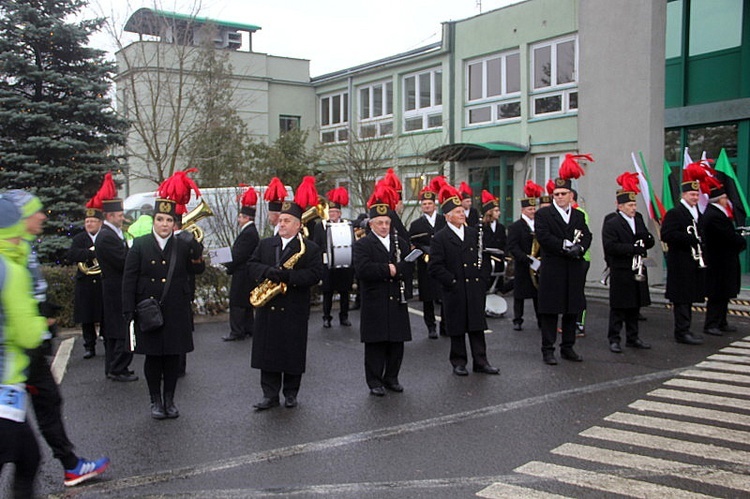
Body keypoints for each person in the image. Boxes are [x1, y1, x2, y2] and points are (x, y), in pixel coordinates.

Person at [5, 189, 110, 487]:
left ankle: (70, 463)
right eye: (37, 212)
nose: (42, 216)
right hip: (18, 349)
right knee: (22, 439)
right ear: (22, 217)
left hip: (27, 346)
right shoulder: (10, 248)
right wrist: (36, 320)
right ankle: (70, 464)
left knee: (44, 408)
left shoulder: (23, 245)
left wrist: (43, 312)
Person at [122, 173, 205, 419]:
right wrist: (128, 310)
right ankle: (155, 400)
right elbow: (129, 278)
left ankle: (169, 400)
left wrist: (196, 248)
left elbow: (197, 270)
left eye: (169, 220)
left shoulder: (182, 244)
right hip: (148, 309)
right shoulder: (140, 244)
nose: (164, 224)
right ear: (153, 221)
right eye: (160, 219)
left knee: (171, 358)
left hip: (175, 309)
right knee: (153, 358)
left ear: (174, 223)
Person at [247, 176, 325, 410]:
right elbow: (251, 265)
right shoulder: (265, 244)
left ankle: (291, 393)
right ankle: (269, 395)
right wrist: (267, 272)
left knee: (292, 352)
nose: (281, 224)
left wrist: (288, 278)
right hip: (268, 309)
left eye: (287, 221)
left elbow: (315, 275)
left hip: (293, 307)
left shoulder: (309, 248)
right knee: (268, 352)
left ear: (298, 225)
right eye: (280, 220)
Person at [0, 196, 47, 498]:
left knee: (28, 458)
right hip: (6, 388)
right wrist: (43, 323)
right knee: (28, 461)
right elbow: (28, 335)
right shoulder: (11, 270)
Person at [429, 183, 499, 376]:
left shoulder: (473, 233)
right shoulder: (440, 238)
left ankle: (481, 361)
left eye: (462, 211)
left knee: (477, 326)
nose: (462, 214)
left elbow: (484, 257)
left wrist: (483, 279)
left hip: (475, 287)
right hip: (455, 289)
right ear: (448, 216)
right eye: (457, 211)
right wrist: (451, 282)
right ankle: (458, 362)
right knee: (457, 327)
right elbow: (435, 266)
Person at [354, 183, 414, 395]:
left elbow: (408, 265)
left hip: (396, 299)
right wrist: (387, 269)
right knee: (376, 343)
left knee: (396, 342)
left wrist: (398, 269)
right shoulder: (363, 244)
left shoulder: (400, 242)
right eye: (379, 223)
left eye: (387, 222)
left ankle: (392, 377)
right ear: (371, 224)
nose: (383, 226)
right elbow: (362, 269)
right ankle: (375, 381)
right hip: (375, 299)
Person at [534, 157, 593, 365]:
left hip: (574, 267)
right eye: (556, 194)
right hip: (554, 268)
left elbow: (587, 235)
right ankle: (548, 349)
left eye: (563, 194)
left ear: (571, 195)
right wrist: (566, 246)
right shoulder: (544, 214)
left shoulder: (577, 215)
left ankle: (568, 347)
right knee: (550, 311)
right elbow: (544, 237)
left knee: (571, 309)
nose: (559, 197)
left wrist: (581, 248)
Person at [601, 172, 655, 353]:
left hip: (638, 267)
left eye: (634, 204)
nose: (633, 208)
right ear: (621, 206)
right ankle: (614, 339)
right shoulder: (612, 223)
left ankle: (633, 337)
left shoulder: (638, 220)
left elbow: (648, 240)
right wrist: (632, 248)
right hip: (621, 269)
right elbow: (610, 246)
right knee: (619, 307)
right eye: (630, 205)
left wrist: (646, 239)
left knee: (635, 305)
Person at [94, 173, 138, 381]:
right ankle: (117, 367)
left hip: (113, 288)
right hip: (115, 289)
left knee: (115, 330)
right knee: (119, 330)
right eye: (120, 214)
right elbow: (123, 261)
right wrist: (133, 251)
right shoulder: (106, 237)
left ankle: (114, 366)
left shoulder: (111, 234)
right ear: (110, 216)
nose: (123, 217)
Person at [660, 163, 708, 345]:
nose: (695, 197)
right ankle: (681, 332)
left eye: (697, 194)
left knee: (689, 298)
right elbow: (667, 235)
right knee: (681, 299)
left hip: (693, 263)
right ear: (683, 195)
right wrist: (689, 238)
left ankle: (686, 328)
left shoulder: (697, 213)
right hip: (680, 263)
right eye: (691, 194)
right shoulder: (675, 213)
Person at [701, 182, 746, 336]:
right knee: (717, 294)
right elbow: (727, 237)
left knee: (724, 293)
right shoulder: (714, 216)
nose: (727, 200)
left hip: (724, 261)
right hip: (718, 262)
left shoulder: (717, 214)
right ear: (720, 199)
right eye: (725, 197)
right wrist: (740, 241)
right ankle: (712, 323)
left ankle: (721, 321)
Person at [65, 197, 104, 359]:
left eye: (93, 221)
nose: (89, 224)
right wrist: (91, 253)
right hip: (85, 282)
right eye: (87, 221)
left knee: (105, 314)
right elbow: (72, 254)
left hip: (102, 282)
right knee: (87, 317)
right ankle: (89, 346)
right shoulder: (79, 238)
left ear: (100, 223)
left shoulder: (106, 236)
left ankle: (107, 342)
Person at [408, 182, 446, 339]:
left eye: (430, 203)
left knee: (444, 296)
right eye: (424, 204)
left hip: (442, 263)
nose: (427, 206)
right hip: (425, 265)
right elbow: (414, 243)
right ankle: (431, 326)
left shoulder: (443, 220)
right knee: (428, 297)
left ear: (435, 205)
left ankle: (445, 325)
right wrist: (424, 253)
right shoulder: (416, 224)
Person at [223, 185, 260, 341]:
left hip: (242, 272)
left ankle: (237, 331)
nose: (238, 219)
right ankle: (248, 328)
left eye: (240, 217)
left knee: (237, 303)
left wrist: (226, 263)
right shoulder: (250, 232)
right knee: (245, 302)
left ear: (246, 218)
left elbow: (238, 255)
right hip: (246, 272)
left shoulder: (248, 233)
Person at [314, 186, 354, 328]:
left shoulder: (347, 224)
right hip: (327, 263)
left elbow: (351, 242)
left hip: (344, 263)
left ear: (340, 213)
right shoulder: (321, 226)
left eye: (335, 212)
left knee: (344, 292)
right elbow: (316, 245)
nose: (332, 214)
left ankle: (344, 317)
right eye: (330, 212)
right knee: (328, 292)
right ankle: (326, 317)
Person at [507, 181, 542, 331]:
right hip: (523, 264)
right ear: (523, 210)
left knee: (538, 294)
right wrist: (525, 258)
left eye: (534, 208)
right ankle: (517, 319)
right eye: (530, 209)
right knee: (519, 294)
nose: (533, 211)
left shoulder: (540, 224)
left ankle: (541, 319)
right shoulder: (515, 226)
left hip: (538, 264)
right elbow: (512, 246)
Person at [479, 189, 507, 288]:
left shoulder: (501, 227)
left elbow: (504, 242)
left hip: (499, 259)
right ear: (489, 212)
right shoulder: (480, 227)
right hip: (486, 261)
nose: (498, 213)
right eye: (496, 211)